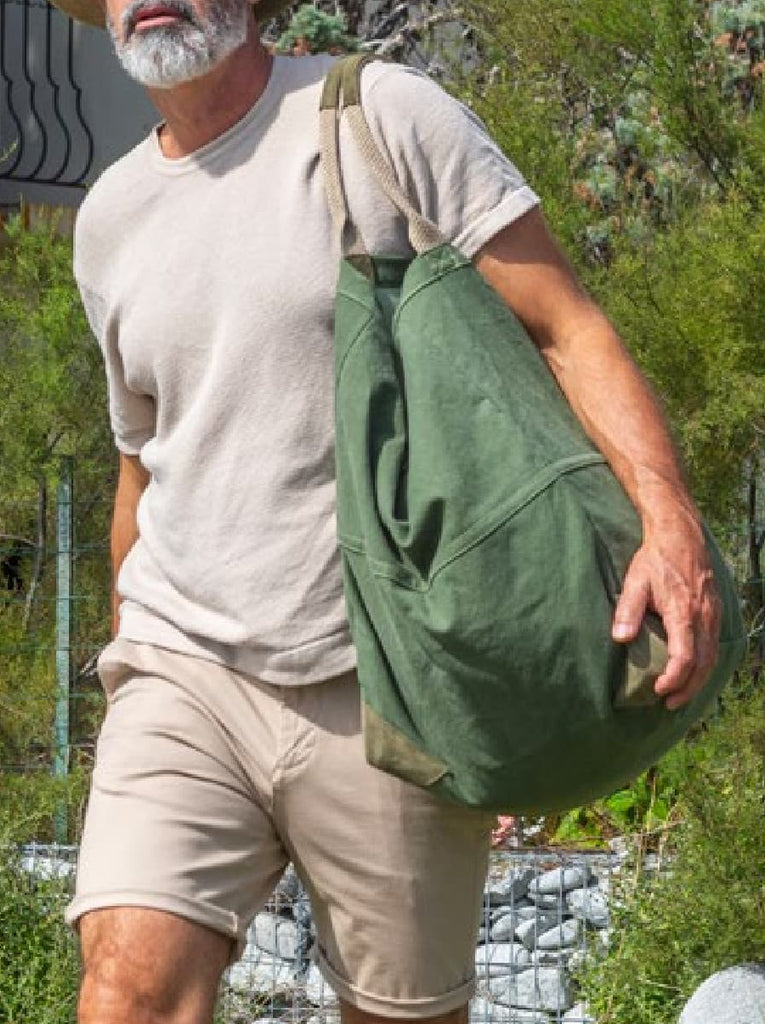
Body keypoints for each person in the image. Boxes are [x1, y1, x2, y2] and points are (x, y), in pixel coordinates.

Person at [49, 0, 721, 1020]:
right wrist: (123, 667)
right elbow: (141, 463)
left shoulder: (380, 117)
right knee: (128, 986)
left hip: (389, 682)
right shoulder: (108, 217)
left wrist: (667, 522)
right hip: (182, 666)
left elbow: (564, 325)